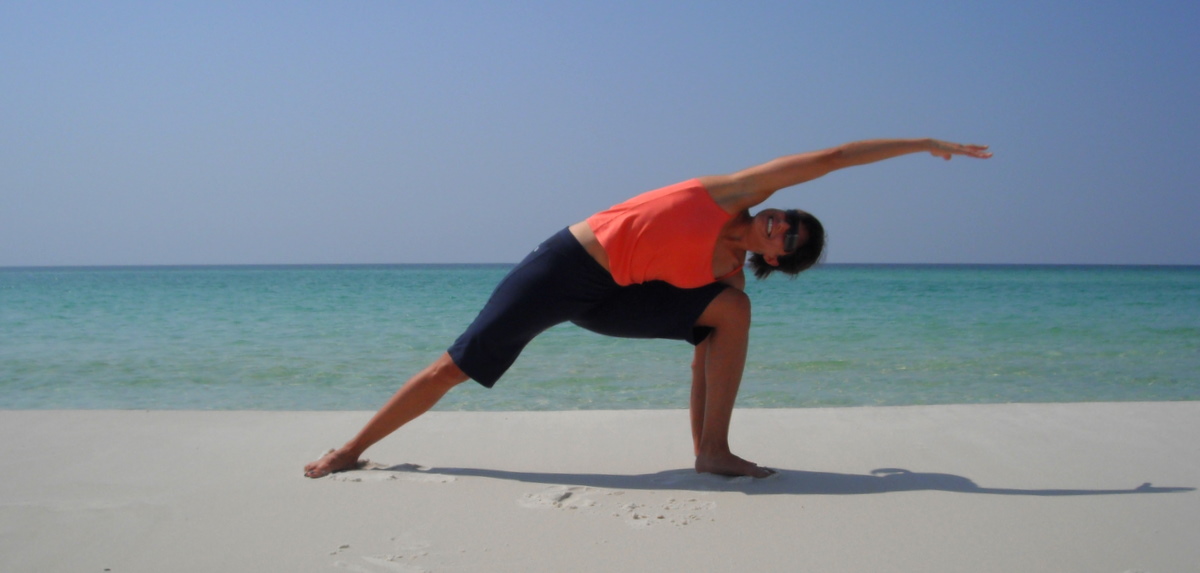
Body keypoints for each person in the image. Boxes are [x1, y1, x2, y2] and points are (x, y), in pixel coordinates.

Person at [304, 138, 992, 479]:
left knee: (731, 314)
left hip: (614, 302)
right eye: (790, 219)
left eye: (791, 240)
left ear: (778, 260)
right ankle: (351, 450)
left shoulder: (730, 274)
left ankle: (712, 452)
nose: (784, 226)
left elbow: (704, 356)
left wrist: (705, 430)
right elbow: (831, 159)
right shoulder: (733, 193)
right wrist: (921, 145)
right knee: (456, 365)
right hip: (565, 267)